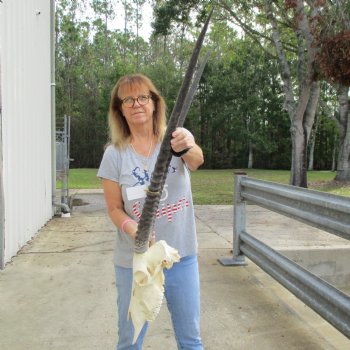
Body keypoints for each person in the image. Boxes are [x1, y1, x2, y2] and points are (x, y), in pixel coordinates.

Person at [97, 73, 204, 350]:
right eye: (128, 100)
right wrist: (132, 229)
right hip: (136, 261)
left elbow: (197, 160)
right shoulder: (114, 154)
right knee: (130, 342)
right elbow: (113, 208)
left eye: (143, 97)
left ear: (154, 103)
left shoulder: (175, 138)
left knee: (191, 341)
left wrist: (186, 146)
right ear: (120, 109)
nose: (137, 104)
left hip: (181, 255)